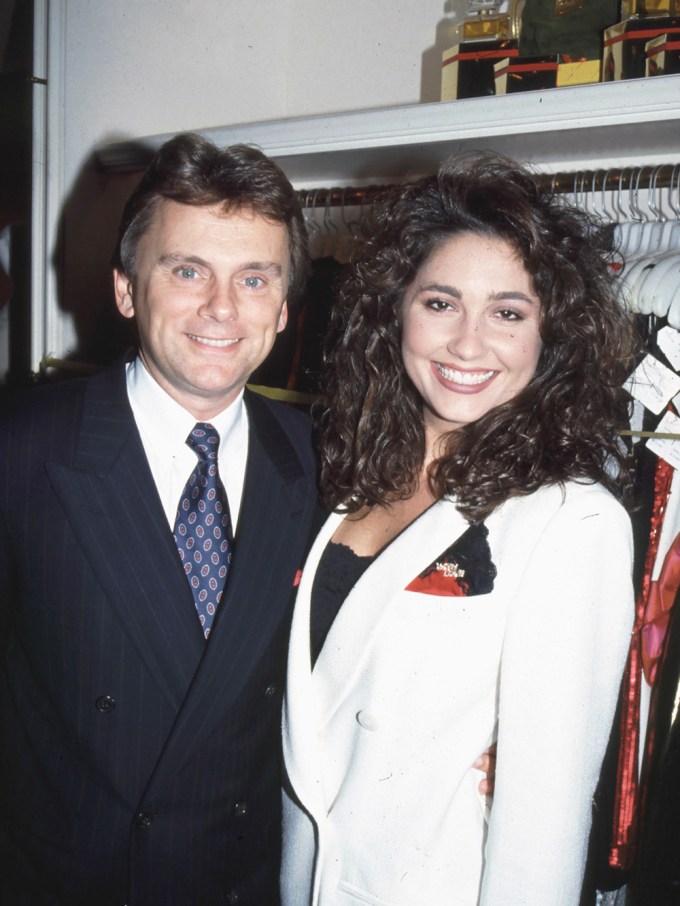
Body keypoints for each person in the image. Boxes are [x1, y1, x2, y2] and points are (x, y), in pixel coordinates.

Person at [280, 152, 637, 905]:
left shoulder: (571, 521)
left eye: (508, 312)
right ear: (395, 310)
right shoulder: (346, 474)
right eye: (440, 303)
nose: (468, 344)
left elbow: (544, 829)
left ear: (550, 336)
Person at [0, 132, 321, 905]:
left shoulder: (325, 463)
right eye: (187, 271)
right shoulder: (21, 451)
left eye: (253, 279)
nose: (221, 308)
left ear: (282, 310)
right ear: (125, 288)